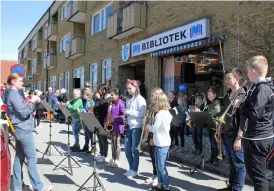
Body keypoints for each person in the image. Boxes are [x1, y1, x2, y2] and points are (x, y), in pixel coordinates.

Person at [6, 73, 53, 191]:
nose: (22, 83)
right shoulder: (14, 94)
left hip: (21, 128)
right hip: (23, 129)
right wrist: (32, 101)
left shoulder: (14, 93)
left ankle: (17, 186)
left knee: (19, 158)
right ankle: (38, 186)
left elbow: (21, 111)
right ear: (13, 82)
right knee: (31, 158)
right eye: (20, 81)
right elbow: (23, 112)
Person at [239, 56, 274, 190]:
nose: (247, 74)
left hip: (257, 138)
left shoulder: (262, 89)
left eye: (248, 71)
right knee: (256, 175)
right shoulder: (257, 87)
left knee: (258, 177)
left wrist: (241, 105)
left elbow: (254, 114)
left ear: (253, 71)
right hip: (256, 136)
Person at [217, 68, 247, 191]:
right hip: (226, 133)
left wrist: (239, 138)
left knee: (239, 165)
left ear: (237, 79)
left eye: (229, 78)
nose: (226, 81)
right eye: (226, 78)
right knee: (231, 164)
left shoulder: (243, 94)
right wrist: (219, 128)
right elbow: (224, 114)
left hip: (236, 134)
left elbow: (245, 119)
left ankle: (237, 189)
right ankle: (231, 186)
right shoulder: (227, 96)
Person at [146, 93, 173, 191]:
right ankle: (160, 184)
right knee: (158, 165)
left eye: (156, 102)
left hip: (161, 143)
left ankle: (166, 185)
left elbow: (154, 129)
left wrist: (147, 125)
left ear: (160, 103)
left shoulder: (160, 115)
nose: (155, 104)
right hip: (162, 141)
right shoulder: (167, 113)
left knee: (161, 166)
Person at [124, 79, 146, 178]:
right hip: (129, 126)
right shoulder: (128, 99)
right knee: (127, 149)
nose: (128, 90)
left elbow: (141, 114)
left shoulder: (141, 99)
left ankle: (135, 169)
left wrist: (128, 112)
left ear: (135, 88)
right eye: (127, 89)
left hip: (136, 127)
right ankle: (131, 167)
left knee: (134, 149)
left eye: (130, 88)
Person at [143, 87, 163, 187]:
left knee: (157, 158)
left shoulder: (161, 108)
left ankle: (159, 178)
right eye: (151, 95)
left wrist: (152, 137)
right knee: (152, 156)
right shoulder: (151, 106)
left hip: (157, 136)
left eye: (154, 95)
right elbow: (149, 120)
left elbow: (158, 126)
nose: (152, 97)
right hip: (151, 133)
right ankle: (154, 174)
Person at [106, 88, 125, 168]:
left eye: (112, 95)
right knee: (112, 143)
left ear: (117, 95)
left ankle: (117, 159)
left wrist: (115, 119)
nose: (111, 96)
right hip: (112, 126)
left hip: (118, 126)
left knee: (117, 143)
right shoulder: (112, 103)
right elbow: (108, 114)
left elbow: (123, 116)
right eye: (111, 95)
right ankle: (113, 158)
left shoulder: (121, 103)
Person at [93, 84, 111, 163]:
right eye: (99, 89)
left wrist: (99, 98)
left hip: (104, 121)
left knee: (103, 139)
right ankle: (101, 153)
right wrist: (98, 99)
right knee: (99, 138)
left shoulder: (108, 98)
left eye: (101, 89)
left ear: (105, 90)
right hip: (98, 120)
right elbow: (96, 107)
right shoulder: (101, 98)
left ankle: (105, 155)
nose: (99, 91)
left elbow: (104, 107)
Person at [207, 87, 222, 166]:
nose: (208, 96)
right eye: (208, 94)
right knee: (212, 143)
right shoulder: (211, 103)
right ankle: (212, 158)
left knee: (214, 144)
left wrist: (208, 115)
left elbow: (217, 110)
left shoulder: (216, 102)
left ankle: (216, 160)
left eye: (209, 94)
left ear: (214, 95)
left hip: (215, 126)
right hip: (211, 125)